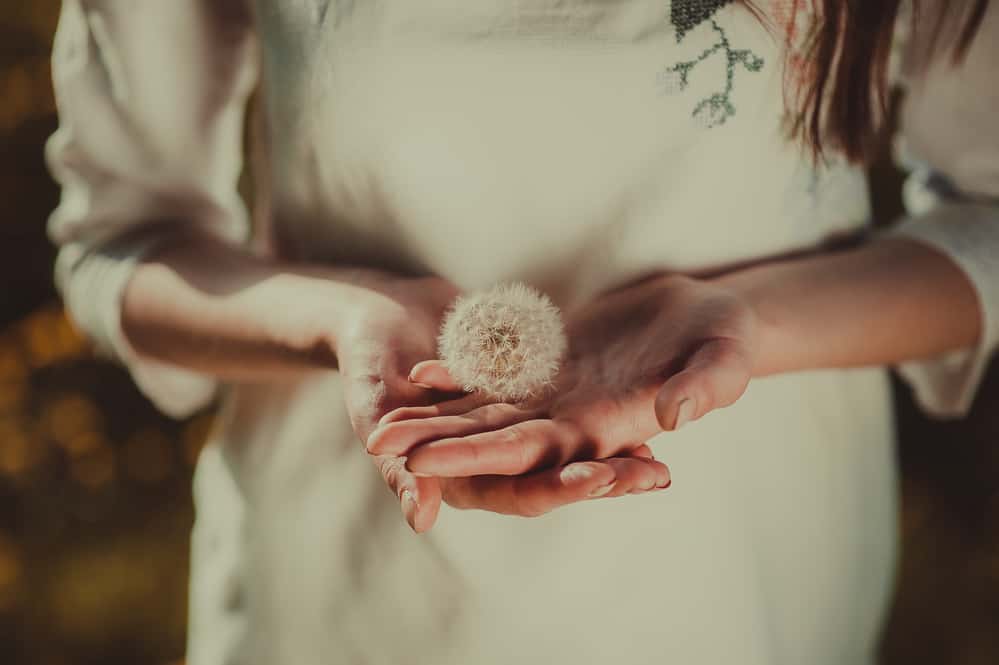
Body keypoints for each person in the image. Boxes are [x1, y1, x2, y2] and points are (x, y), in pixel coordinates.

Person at [44, 1, 997, 663]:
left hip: (746, 584)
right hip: (348, 598)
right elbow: (122, 241)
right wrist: (339, 314)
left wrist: (746, 323)